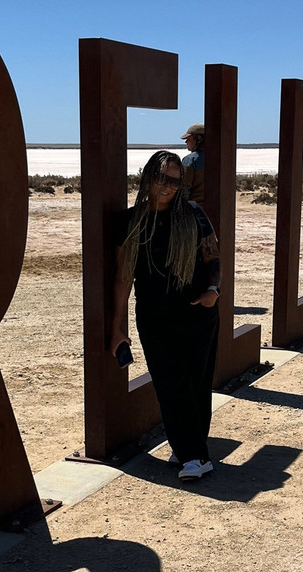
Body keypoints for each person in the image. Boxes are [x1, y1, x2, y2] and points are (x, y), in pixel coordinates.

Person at [110, 151, 221, 481]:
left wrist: (213, 292)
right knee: (171, 383)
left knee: (196, 384)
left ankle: (191, 452)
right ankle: (193, 453)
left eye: (174, 181)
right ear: (147, 177)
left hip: (197, 313)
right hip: (155, 317)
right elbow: (123, 277)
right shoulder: (132, 222)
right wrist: (118, 327)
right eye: (161, 179)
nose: (167, 187)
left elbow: (212, 256)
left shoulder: (192, 214)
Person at [180, 123, 205, 204]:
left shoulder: (190, 160)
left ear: (198, 139)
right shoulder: (219, 159)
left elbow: (184, 188)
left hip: (195, 209)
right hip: (216, 209)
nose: (186, 142)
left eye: (189, 138)